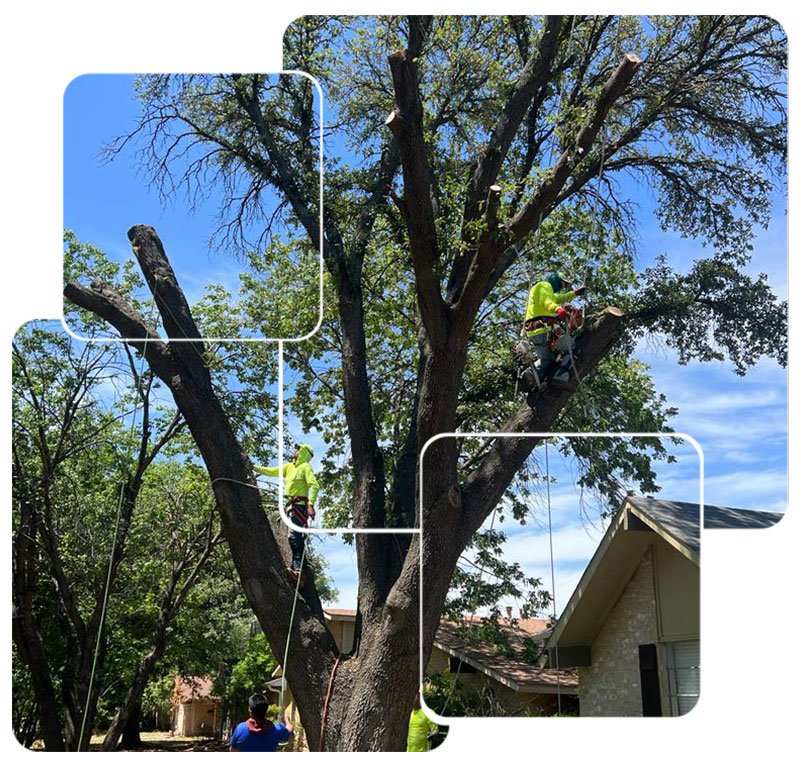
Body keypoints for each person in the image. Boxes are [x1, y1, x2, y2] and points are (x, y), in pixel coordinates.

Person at [254, 444, 319, 585]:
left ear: (303, 452)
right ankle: (299, 569)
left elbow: (314, 485)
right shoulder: (289, 467)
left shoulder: (305, 467)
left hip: (299, 507)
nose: (295, 451)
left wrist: (311, 505)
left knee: (294, 536)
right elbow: (272, 471)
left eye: (298, 449)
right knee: (293, 536)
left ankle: (299, 570)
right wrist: (254, 467)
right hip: (290, 507)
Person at [520, 270, 587, 390]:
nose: (563, 287)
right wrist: (558, 310)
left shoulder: (541, 290)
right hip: (547, 330)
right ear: (556, 280)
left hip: (534, 332)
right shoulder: (544, 285)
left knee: (547, 360)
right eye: (562, 284)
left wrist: (575, 293)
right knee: (572, 348)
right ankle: (560, 377)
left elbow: (559, 298)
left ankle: (529, 375)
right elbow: (547, 302)